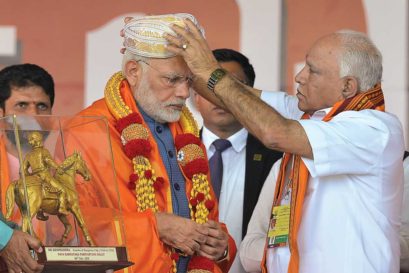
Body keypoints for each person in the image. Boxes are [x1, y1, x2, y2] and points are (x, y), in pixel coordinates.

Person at [165, 21, 404, 273]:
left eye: (312, 70)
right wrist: (187, 66)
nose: (299, 77)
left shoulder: (374, 130)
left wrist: (211, 70)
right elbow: (233, 96)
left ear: (347, 86)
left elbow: (275, 132)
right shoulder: (309, 116)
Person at [74, 14, 236, 273]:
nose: (184, 93)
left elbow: (207, 215)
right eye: (172, 80)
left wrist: (221, 245)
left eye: (189, 81)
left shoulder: (187, 131)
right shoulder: (85, 131)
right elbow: (67, 226)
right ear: (134, 72)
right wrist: (154, 226)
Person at [194, 48, 282, 273]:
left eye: (230, 87)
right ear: (194, 94)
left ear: (250, 94)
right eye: (209, 86)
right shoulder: (173, 153)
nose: (219, 96)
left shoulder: (278, 156)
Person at [0, 63, 55, 273]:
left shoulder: (66, 165)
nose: (33, 115)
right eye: (22, 105)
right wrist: (5, 238)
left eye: (42, 106)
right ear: (1, 113)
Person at [22, 131, 69, 216]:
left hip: (35, 177)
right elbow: (49, 161)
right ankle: (62, 208)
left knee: (38, 195)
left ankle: (40, 213)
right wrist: (58, 168)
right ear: (38, 140)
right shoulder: (43, 151)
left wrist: (29, 177)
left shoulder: (28, 155)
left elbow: (23, 169)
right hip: (45, 175)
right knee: (62, 190)